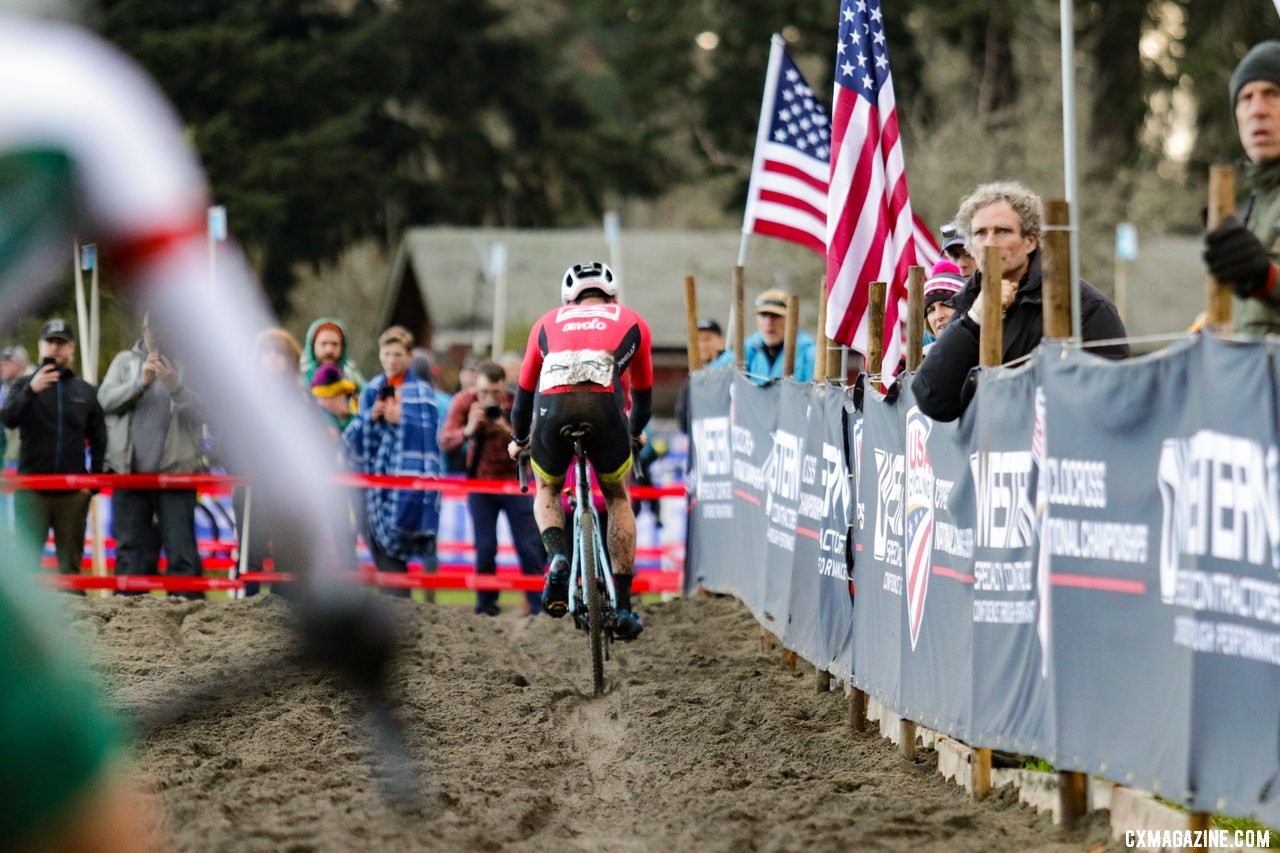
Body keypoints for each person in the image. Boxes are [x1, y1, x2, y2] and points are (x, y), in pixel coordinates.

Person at [506, 261, 652, 640]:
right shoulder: (633, 319)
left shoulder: (546, 322)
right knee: (618, 498)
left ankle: (557, 555)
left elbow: (522, 400)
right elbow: (644, 400)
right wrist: (634, 436)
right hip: (605, 408)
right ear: (612, 296)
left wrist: (520, 440)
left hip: (551, 409)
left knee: (548, 489)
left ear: (568, 299)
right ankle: (622, 607)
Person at [911, 182, 1129, 422]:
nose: (989, 243)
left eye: (1002, 231)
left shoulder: (1084, 305)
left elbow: (1115, 400)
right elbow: (932, 398)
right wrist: (974, 320)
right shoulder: (966, 306)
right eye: (980, 233)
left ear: (1030, 241)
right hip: (983, 455)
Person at [97, 314, 206, 598]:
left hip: (176, 475)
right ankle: (127, 624)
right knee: (130, 552)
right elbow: (103, 402)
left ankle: (189, 619)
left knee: (181, 551)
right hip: (129, 474)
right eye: (154, 325)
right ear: (143, 328)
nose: (160, 331)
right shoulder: (124, 362)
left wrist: (176, 388)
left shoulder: (192, 364)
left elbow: (210, 413)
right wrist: (139, 384)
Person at [0, 319, 106, 583]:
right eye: (50, 342)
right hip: (32, 489)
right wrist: (31, 391)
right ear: (40, 346)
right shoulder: (23, 384)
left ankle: (73, 621)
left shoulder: (84, 390)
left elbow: (100, 436)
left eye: (61, 343)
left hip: (72, 494)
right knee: (26, 569)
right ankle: (24, 624)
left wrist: (92, 483)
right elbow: (8, 418)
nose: (55, 348)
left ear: (71, 348)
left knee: (70, 571)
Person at [343, 325, 442, 597]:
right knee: (376, 544)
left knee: (395, 550)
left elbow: (431, 435)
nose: (391, 360)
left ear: (409, 357)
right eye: (386, 353)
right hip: (371, 483)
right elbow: (351, 439)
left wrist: (403, 420)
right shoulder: (371, 390)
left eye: (398, 354)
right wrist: (370, 417)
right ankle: (396, 602)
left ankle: (399, 604)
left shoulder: (423, 392)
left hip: (406, 484)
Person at [441, 360, 545, 617]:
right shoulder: (464, 402)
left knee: (528, 547)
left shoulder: (518, 403)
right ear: (476, 387)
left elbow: (535, 445)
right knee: (485, 547)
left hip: (515, 482)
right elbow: (445, 441)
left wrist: (506, 429)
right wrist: (468, 430)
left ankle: (536, 608)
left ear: (504, 388)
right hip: (480, 483)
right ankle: (485, 608)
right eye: (484, 392)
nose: (489, 399)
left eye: (495, 393)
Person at [1202, 41, 1280, 337]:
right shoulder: (1252, 204)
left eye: (1272, 94)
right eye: (1246, 98)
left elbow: (1266, 280)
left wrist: (1267, 278)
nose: (1258, 110)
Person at [234, 328, 309, 597]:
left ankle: (284, 606)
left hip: (289, 485)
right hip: (252, 483)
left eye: (279, 353)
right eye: (266, 353)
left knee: (287, 550)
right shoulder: (246, 396)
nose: (272, 359)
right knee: (250, 549)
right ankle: (247, 605)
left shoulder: (302, 398)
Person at [712, 288, 816, 383]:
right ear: (756, 319)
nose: (768, 322)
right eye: (763, 315)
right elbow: (712, 377)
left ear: (792, 319)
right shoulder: (747, 350)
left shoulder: (809, 355)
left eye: (776, 315)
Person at [675, 318, 725, 433]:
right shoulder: (692, 380)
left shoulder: (730, 374)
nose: (702, 345)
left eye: (707, 339)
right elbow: (683, 421)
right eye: (696, 340)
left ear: (722, 341)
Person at [301, 316, 365, 390]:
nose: (329, 350)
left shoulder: (353, 379)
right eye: (323, 343)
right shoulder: (299, 378)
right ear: (312, 346)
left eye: (335, 344)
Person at [0, 345, 31, 465]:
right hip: (6, 455)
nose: (3, 365)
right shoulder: (5, 386)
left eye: (8, 361)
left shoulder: (31, 386)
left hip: (21, 457)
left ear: (20, 364)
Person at [923, 260, 966, 340]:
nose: (938, 316)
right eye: (931, 310)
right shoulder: (925, 352)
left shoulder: (988, 349)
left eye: (946, 305)